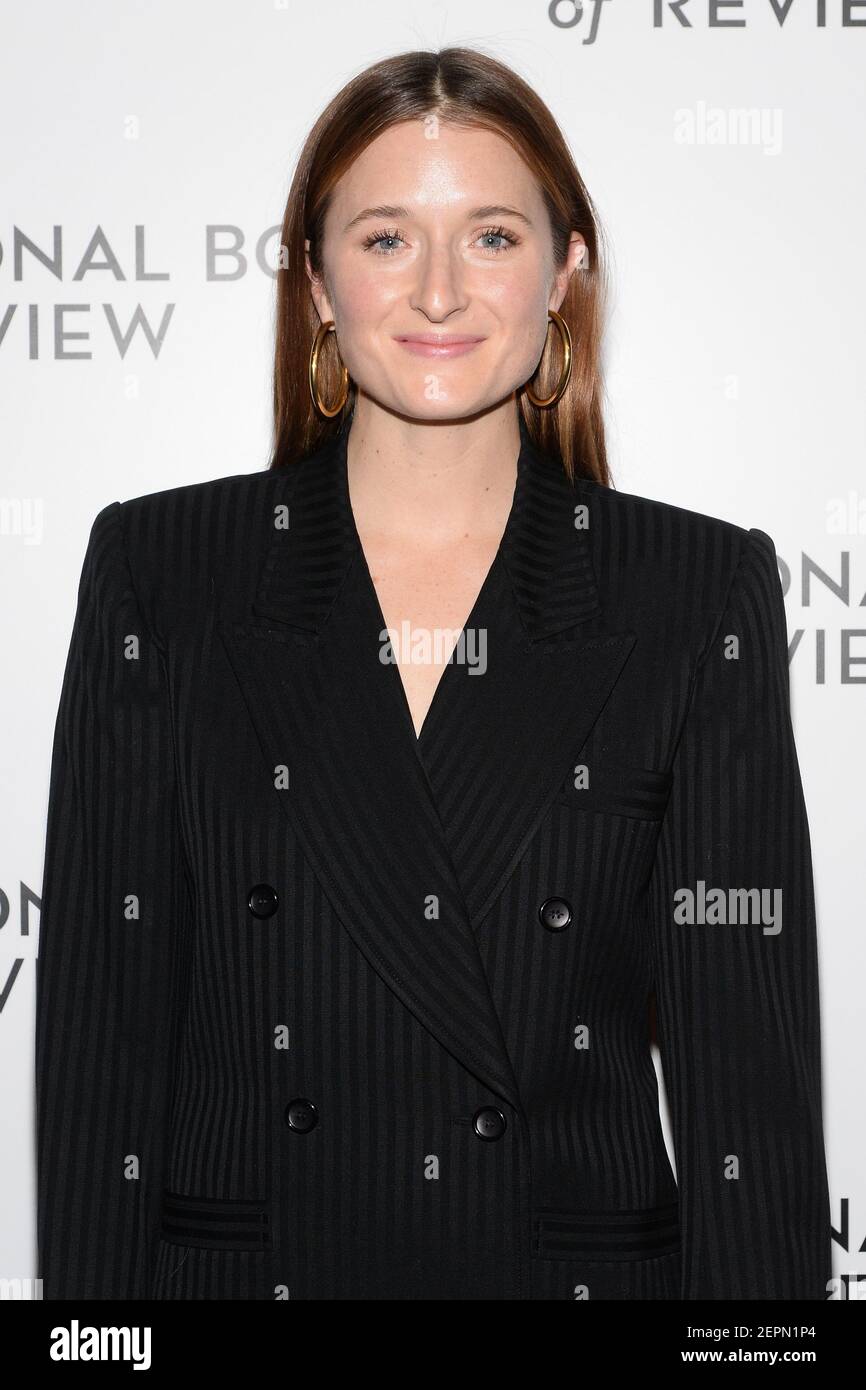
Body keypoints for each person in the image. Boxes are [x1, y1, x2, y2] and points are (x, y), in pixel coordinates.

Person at [35, 46, 831, 1300]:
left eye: (495, 237)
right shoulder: (164, 572)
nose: (443, 292)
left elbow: (749, 1104)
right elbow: (101, 1048)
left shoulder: (690, 593)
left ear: (566, 271)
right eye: (388, 239)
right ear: (314, 281)